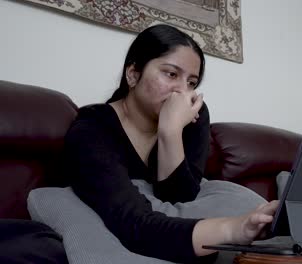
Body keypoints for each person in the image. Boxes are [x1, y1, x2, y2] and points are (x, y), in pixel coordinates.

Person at [63, 24, 278, 263]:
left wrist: (170, 131)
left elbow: (180, 198)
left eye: (192, 82)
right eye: (171, 74)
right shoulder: (93, 130)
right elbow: (135, 226)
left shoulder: (193, 117)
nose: (182, 91)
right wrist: (234, 230)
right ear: (133, 74)